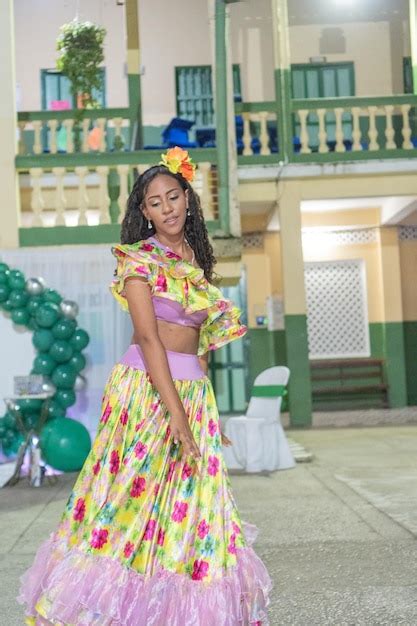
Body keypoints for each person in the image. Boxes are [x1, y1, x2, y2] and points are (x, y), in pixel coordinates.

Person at [18, 147, 272, 625]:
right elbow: (150, 340)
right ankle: (104, 608)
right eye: (155, 203)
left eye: (173, 197)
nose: (167, 208)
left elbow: (199, 344)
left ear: (188, 199)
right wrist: (175, 413)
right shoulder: (137, 262)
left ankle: (173, 612)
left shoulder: (197, 259)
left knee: (192, 506)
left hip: (191, 395)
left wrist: (202, 412)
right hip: (147, 392)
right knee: (132, 498)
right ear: (144, 212)